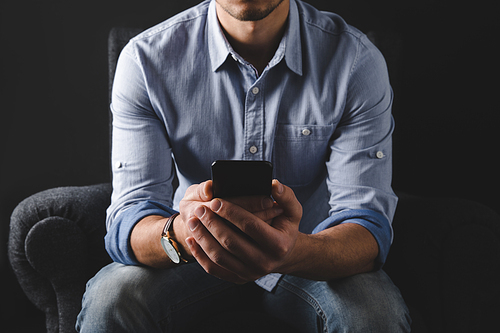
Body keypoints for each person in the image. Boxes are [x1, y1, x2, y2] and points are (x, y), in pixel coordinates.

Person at [76, 0, 411, 331]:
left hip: (311, 253)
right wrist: (185, 231)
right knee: (111, 299)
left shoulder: (355, 60)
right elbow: (129, 219)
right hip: (193, 258)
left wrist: (292, 251)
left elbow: (367, 225)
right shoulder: (146, 60)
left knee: (373, 314)